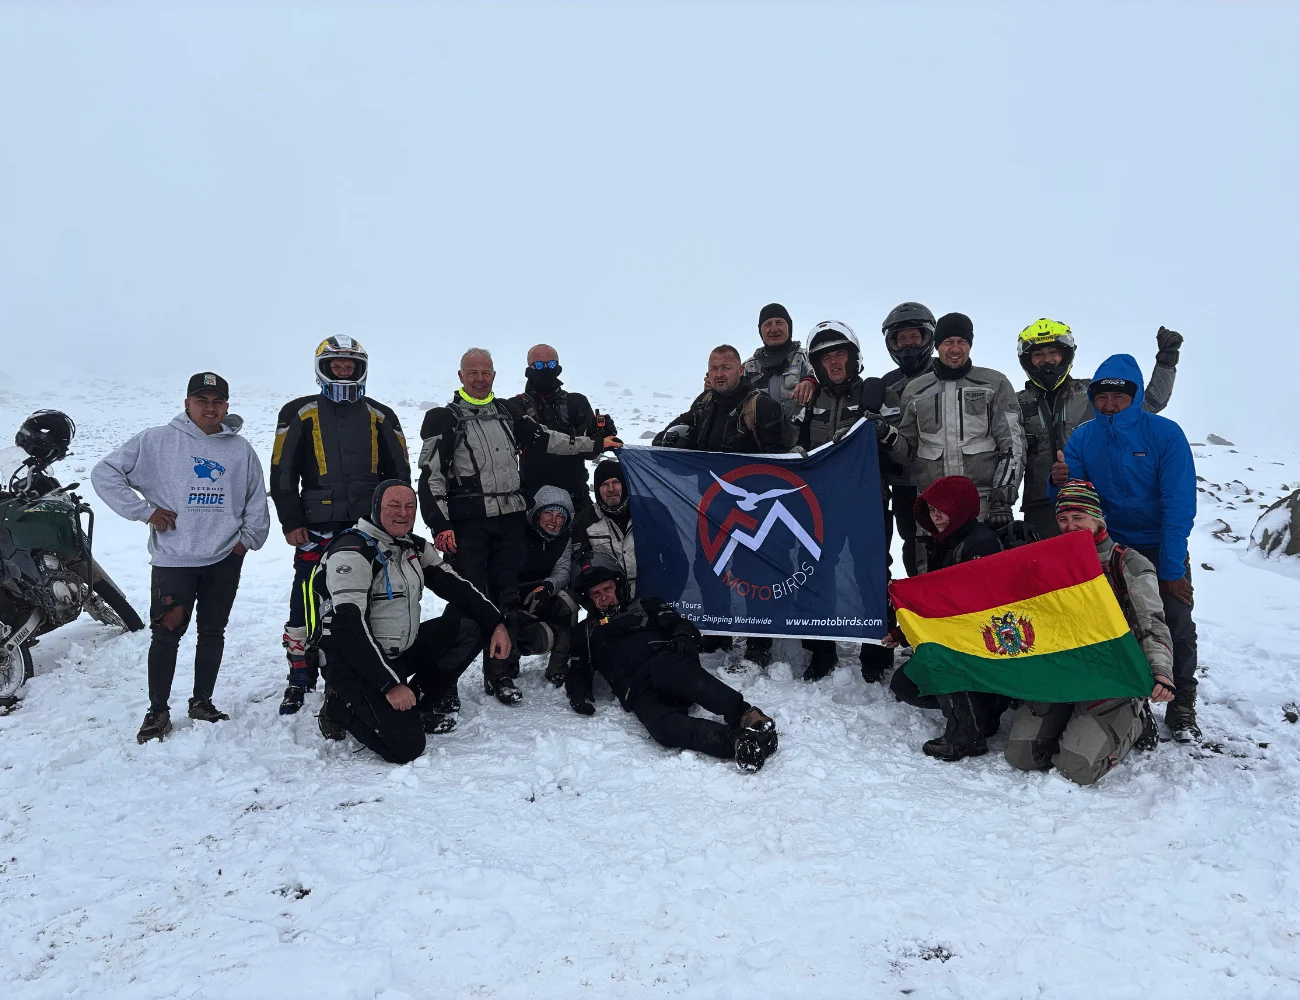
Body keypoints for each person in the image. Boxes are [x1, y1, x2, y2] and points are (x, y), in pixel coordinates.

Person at [417, 348, 621, 705]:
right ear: (461, 377)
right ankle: (441, 679)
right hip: (470, 522)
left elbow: (548, 438)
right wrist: (440, 524)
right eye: (473, 372)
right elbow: (431, 477)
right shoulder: (444, 419)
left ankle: (500, 673)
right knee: (469, 600)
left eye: (486, 372)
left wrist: (596, 444)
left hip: (510, 518)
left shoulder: (507, 412)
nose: (480, 378)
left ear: (494, 376)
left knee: (507, 597)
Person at [92, 372, 270, 743]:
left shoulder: (240, 450)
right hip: (174, 560)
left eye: (217, 401)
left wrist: (245, 543)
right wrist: (145, 512)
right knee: (166, 634)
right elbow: (105, 473)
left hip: (223, 558)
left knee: (212, 632)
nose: (210, 408)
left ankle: (202, 702)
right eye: (202, 400)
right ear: (186, 403)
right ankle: (158, 712)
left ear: (226, 406)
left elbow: (256, 499)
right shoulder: (156, 441)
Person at [1049, 354, 1199, 741]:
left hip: (1157, 541)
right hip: (1105, 544)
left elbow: (1178, 506)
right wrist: (1057, 482)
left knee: (1173, 617)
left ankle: (1181, 698)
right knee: (1104, 619)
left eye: (1120, 396)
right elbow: (1076, 502)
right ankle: (1122, 693)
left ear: (1134, 395)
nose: (1110, 404)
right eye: (1101, 396)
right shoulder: (1084, 436)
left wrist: (1169, 570)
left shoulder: (1164, 434)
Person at [314, 482, 511, 762]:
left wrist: (497, 623)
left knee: (471, 627)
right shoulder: (353, 551)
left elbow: (458, 588)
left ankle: (417, 703)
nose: (403, 513)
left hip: (399, 650)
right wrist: (389, 685)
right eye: (393, 505)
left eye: (410, 506)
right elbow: (348, 626)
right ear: (376, 508)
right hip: (355, 663)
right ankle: (339, 707)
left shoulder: (413, 546)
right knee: (406, 746)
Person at [270, 336, 411, 716]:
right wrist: (291, 520)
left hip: (369, 526)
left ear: (361, 368)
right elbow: (283, 471)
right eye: (337, 364)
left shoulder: (381, 414)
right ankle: (299, 675)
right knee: (307, 596)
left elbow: (399, 473)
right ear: (323, 367)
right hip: (316, 523)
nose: (344, 370)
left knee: (369, 595)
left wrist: (398, 518)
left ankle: (366, 667)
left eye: (351, 364)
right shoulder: (298, 412)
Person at [1004, 480, 1172, 784]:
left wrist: (1160, 670)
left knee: (1076, 767)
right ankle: (1073, 718)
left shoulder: (1128, 563)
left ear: (1097, 518)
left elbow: (1153, 621)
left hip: (1113, 674)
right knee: (1021, 756)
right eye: (1063, 519)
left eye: (1078, 517)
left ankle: (1135, 718)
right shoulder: (1047, 562)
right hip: (1063, 672)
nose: (1070, 526)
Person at [565, 553, 780, 772]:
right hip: (638, 690)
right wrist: (577, 692)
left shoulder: (645, 605)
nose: (603, 597)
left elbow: (681, 625)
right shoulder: (586, 633)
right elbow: (578, 668)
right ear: (588, 599)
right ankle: (738, 743)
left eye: (607, 589)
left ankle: (745, 714)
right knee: (661, 729)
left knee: (666, 668)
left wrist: (683, 638)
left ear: (618, 587)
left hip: (669, 667)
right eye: (596, 593)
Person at [790, 320, 910, 682]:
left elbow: (906, 452)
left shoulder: (880, 394)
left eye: (840, 353)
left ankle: (876, 653)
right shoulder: (810, 400)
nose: (834, 362)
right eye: (826, 357)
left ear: (854, 357)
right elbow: (793, 446)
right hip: (821, 506)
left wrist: (884, 432)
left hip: (868, 503)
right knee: (817, 573)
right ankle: (821, 652)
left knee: (871, 574)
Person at [654, 344, 787, 664]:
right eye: (714, 368)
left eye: (726, 367)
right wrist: (663, 442)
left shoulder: (761, 406)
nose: (719, 373)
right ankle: (718, 631)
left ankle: (759, 641)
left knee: (754, 575)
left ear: (741, 370)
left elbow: (779, 462)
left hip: (751, 509)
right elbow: (670, 434)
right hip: (711, 506)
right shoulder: (703, 403)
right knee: (708, 570)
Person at [1016, 319, 1181, 539]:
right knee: (1050, 570)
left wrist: (1166, 363)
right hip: (1041, 505)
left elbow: (1149, 403)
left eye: (1053, 352)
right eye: (1038, 355)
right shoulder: (1015, 404)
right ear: (1027, 360)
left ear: (1065, 354)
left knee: (1102, 569)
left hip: (1096, 501)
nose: (1046, 361)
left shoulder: (1093, 392)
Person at [886, 475, 1007, 761]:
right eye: (930, 509)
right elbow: (939, 601)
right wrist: (904, 633)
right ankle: (982, 712)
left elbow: (970, 609)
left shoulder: (981, 544)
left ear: (961, 507)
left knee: (942, 657)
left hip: (987, 640)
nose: (936, 516)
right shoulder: (947, 541)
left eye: (943, 508)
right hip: (964, 634)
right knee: (905, 684)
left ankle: (967, 734)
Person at [896, 312, 1025, 571]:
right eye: (947, 342)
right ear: (936, 345)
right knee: (933, 586)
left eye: (962, 342)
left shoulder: (994, 382)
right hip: (934, 512)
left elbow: (1013, 443)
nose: (955, 349)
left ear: (970, 344)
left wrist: (1003, 498)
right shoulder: (915, 390)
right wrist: (884, 436)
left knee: (987, 586)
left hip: (984, 505)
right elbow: (906, 450)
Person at [505, 343, 617, 514]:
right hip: (533, 497)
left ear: (558, 367)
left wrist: (600, 436)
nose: (545, 369)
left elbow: (589, 453)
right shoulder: (515, 406)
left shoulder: (576, 402)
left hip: (576, 495)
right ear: (529, 369)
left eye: (550, 364)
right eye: (539, 365)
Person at [880, 302, 938, 577]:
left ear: (928, 338)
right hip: (903, 481)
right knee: (912, 544)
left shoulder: (944, 374)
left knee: (943, 540)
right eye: (900, 339)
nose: (907, 345)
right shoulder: (885, 384)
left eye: (914, 337)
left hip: (940, 474)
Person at [517, 485, 581, 687]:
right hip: (515, 595)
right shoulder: (519, 534)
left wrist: (548, 587)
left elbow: (562, 571)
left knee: (567, 602)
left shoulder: (564, 541)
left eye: (560, 516)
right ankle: (500, 672)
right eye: (548, 513)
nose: (554, 521)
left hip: (543, 594)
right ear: (537, 514)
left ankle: (558, 667)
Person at [740, 303, 818, 426]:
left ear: (789, 327)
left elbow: (822, 376)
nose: (774, 329)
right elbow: (732, 390)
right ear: (760, 330)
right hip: (760, 440)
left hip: (800, 437)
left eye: (779, 322)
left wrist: (811, 382)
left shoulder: (805, 356)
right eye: (768, 324)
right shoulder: (749, 366)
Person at [572, 459, 637, 597]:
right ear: (597, 489)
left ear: (624, 484)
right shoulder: (584, 521)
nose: (611, 489)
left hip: (652, 596)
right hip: (609, 600)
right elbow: (579, 570)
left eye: (616, 482)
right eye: (604, 484)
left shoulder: (644, 514)